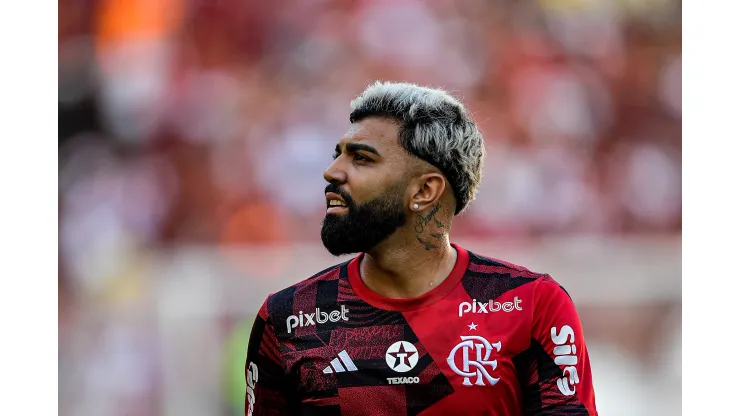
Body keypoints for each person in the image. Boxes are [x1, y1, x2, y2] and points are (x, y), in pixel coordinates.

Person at [245, 81, 598, 415]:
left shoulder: (532, 304)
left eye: (362, 158)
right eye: (338, 154)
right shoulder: (287, 319)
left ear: (425, 191)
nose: (332, 172)